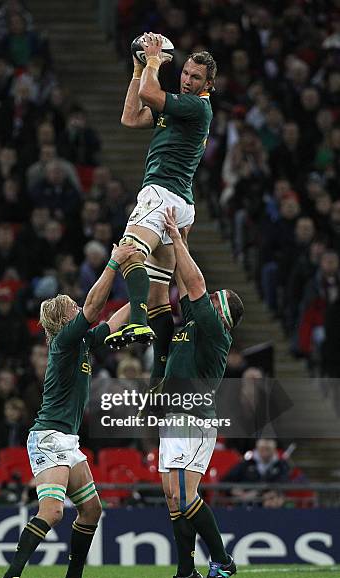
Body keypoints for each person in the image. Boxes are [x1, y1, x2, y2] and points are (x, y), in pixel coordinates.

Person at [0, 241, 135, 578]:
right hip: (49, 438)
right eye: (74, 308)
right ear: (63, 319)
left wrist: (147, 291)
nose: (80, 309)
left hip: (67, 440)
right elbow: (94, 306)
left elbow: (115, 318)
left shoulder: (82, 342)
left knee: (91, 510)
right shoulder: (64, 341)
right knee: (54, 511)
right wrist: (115, 263)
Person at [104, 33, 216, 385]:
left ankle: (136, 319)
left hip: (161, 192)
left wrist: (153, 60)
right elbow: (131, 116)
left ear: (208, 84)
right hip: (181, 205)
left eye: (195, 78)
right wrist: (138, 68)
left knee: (128, 253)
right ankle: (158, 379)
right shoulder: (181, 107)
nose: (186, 80)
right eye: (185, 73)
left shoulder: (196, 106)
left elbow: (151, 95)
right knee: (158, 294)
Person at [157, 208, 244, 578]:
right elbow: (185, 278)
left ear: (222, 311)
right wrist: (184, 241)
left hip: (192, 416)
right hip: (176, 415)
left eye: (215, 298)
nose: (208, 297)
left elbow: (194, 283)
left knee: (184, 494)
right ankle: (185, 572)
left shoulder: (214, 331)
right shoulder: (197, 321)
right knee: (172, 496)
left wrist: (175, 236)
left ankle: (222, 561)